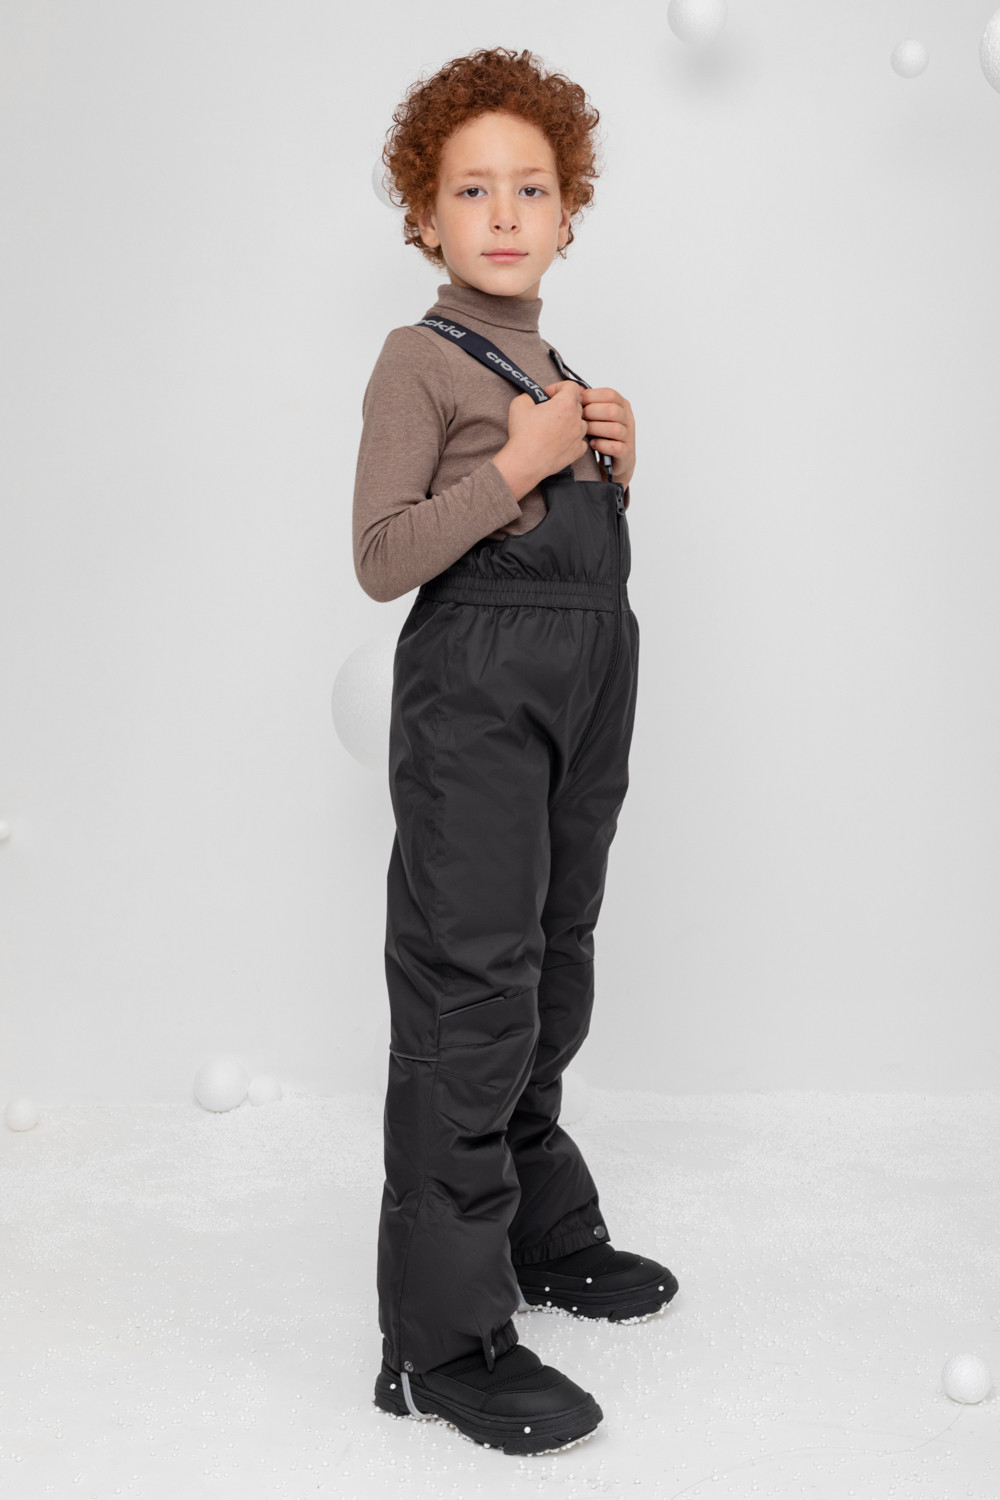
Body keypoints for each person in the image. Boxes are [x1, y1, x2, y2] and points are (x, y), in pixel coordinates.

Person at [353, 46, 678, 1456]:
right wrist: (526, 465)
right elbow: (382, 556)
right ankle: (440, 1342)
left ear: (568, 212)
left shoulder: (562, 371)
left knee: (554, 960)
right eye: (471, 188)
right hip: (477, 696)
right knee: (471, 990)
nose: (502, 212)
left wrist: (609, 461)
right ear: (424, 216)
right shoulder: (417, 360)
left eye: (530, 188)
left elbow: (572, 547)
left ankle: (537, 1232)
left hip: (587, 684)